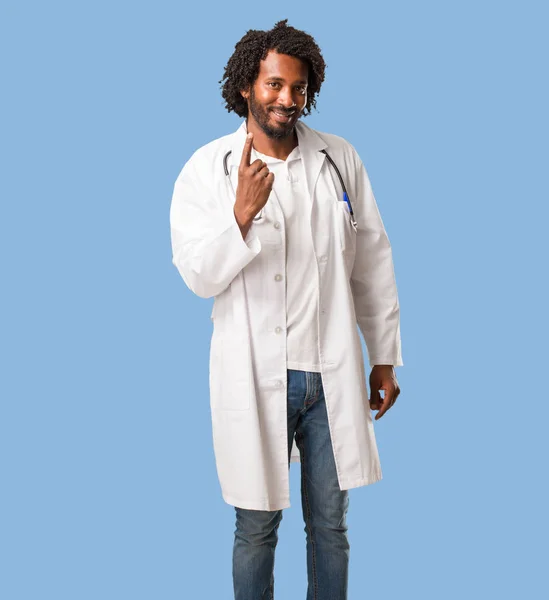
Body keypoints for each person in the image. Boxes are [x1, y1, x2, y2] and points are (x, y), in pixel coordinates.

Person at [170, 19, 403, 600]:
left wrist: (384, 357)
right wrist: (240, 217)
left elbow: (370, 259)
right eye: (274, 84)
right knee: (256, 527)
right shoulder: (209, 169)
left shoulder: (337, 158)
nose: (287, 99)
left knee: (331, 527)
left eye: (298, 88)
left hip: (330, 376)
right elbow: (198, 274)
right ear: (248, 85)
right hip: (255, 375)